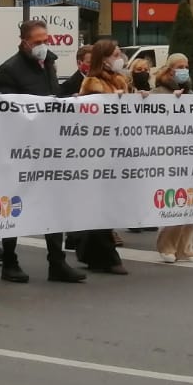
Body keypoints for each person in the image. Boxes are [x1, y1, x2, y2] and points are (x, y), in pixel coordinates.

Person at [0, 20, 84, 282]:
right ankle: (9, 261)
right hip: (21, 149)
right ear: (24, 42)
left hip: (49, 146)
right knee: (15, 204)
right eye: (37, 41)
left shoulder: (49, 64)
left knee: (54, 205)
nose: (43, 45)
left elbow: (52, 96)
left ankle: (57, 262)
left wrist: (72, 93)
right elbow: (8, 109)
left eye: (46, 39)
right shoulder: (9, 70)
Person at [73, 39, 130, 275]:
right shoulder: (92, 83)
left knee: (108, 202)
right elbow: (89, 117)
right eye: (116, 54)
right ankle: (105, 253)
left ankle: (90, 251)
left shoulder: (121, 80)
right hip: (97, 151)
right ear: (104, 58)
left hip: (117, 148)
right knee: (99, 203)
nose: (121, 58)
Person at [152, 52, 193, 262]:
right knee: (175, 199)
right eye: (179, 66)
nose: (184, 70)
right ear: (170, 70)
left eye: (186, 66)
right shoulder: (158, 92)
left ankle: (186, 247)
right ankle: (167, 246)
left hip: (190, 151)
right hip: (169, 153)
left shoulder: (190, 91)